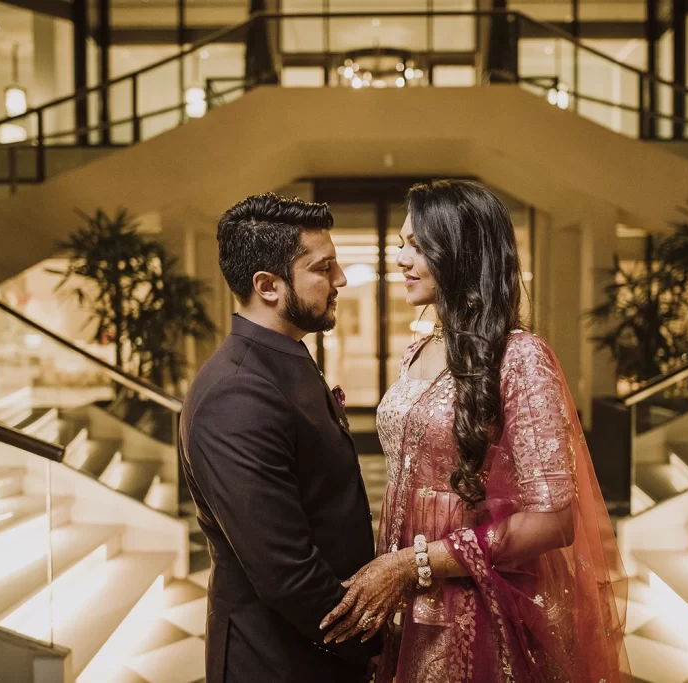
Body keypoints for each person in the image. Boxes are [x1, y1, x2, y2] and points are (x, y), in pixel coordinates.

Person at [319, 180, 631, 683]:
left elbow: (554, 520)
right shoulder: (417, 350)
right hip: (408, 599)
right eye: (401, 243)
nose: (400, 258)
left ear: (462, 253)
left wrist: (414, 564)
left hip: (475, 604)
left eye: (417, 245)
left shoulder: (520, 356)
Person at [178, 193, 381, 683]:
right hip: (278, 658)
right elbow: (286, 572)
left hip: (314, 650)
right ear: (268, 286)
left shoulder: (282, 355)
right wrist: (373, 644)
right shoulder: (236, 392)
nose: (341, 280)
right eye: (323, 268)